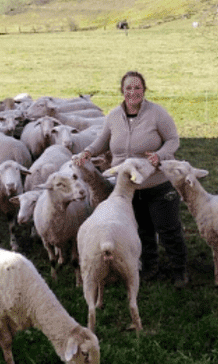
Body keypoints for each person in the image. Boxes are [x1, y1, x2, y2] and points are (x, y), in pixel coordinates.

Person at [74, 71, 188, 287]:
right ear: (122, 91)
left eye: (137, 88)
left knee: (168, 228)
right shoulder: (114, 116)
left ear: (144, 90)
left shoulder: (157, 114)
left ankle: (179, 270)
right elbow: (102, 141)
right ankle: (150, 267)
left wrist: (160, 156)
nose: (133, 92)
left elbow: (173, 140)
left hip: (156, 182)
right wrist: (88, 152)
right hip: (127, 188)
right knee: (141, 229)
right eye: (128, 88)